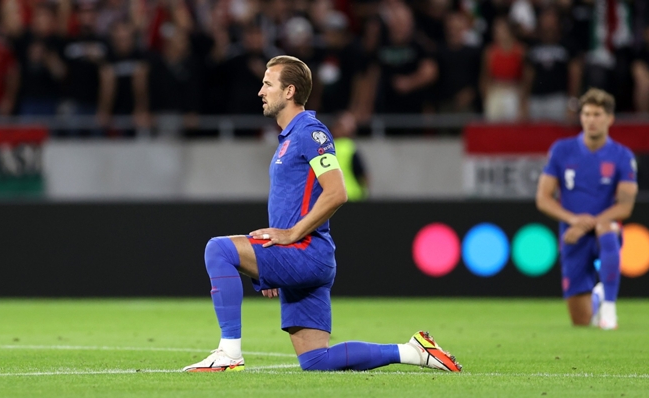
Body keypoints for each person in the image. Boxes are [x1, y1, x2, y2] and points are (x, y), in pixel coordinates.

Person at [182, 55, 461, 373]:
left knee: (218, 249)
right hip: (301, 257)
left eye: (267, 84)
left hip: (305, 251)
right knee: (316, 360)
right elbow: (291, 202)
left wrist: (290, 235)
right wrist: (270, 266)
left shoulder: (310, 132)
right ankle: (414, 352)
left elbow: (337, 191)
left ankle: (228, 353)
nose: (261, 91)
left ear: (289, 91)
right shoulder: (288, 138)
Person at [536, 88, 638, 330]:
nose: (591, 120)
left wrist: (589, 223)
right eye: (587, 114)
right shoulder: (562, 150)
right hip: (572, 234)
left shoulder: (622, 155)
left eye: (598, 114)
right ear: (580, 117)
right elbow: (543, 198)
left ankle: (610, 309)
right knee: (580, 321)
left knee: (608, 228)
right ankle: (599, 296)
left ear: (610, 118)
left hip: (604, 230)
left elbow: (625, 205)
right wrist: (574, 220)